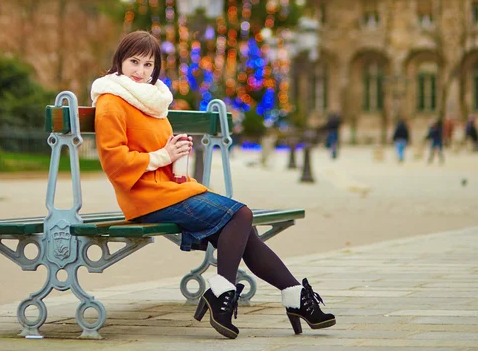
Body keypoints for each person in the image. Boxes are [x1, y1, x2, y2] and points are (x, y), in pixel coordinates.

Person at [91, 31, 335, 339]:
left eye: (148, 65)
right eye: (134, 62)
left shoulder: (151, 102)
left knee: (244, 231)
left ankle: (293, 294)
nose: (141, 72)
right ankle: (226, 292)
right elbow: (114, 162)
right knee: (240, 215)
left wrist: (174, 157)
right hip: (145, 198)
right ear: (120, 62)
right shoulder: (112, 101)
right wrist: (161, 155)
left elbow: (154, 152)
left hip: (170, 189)